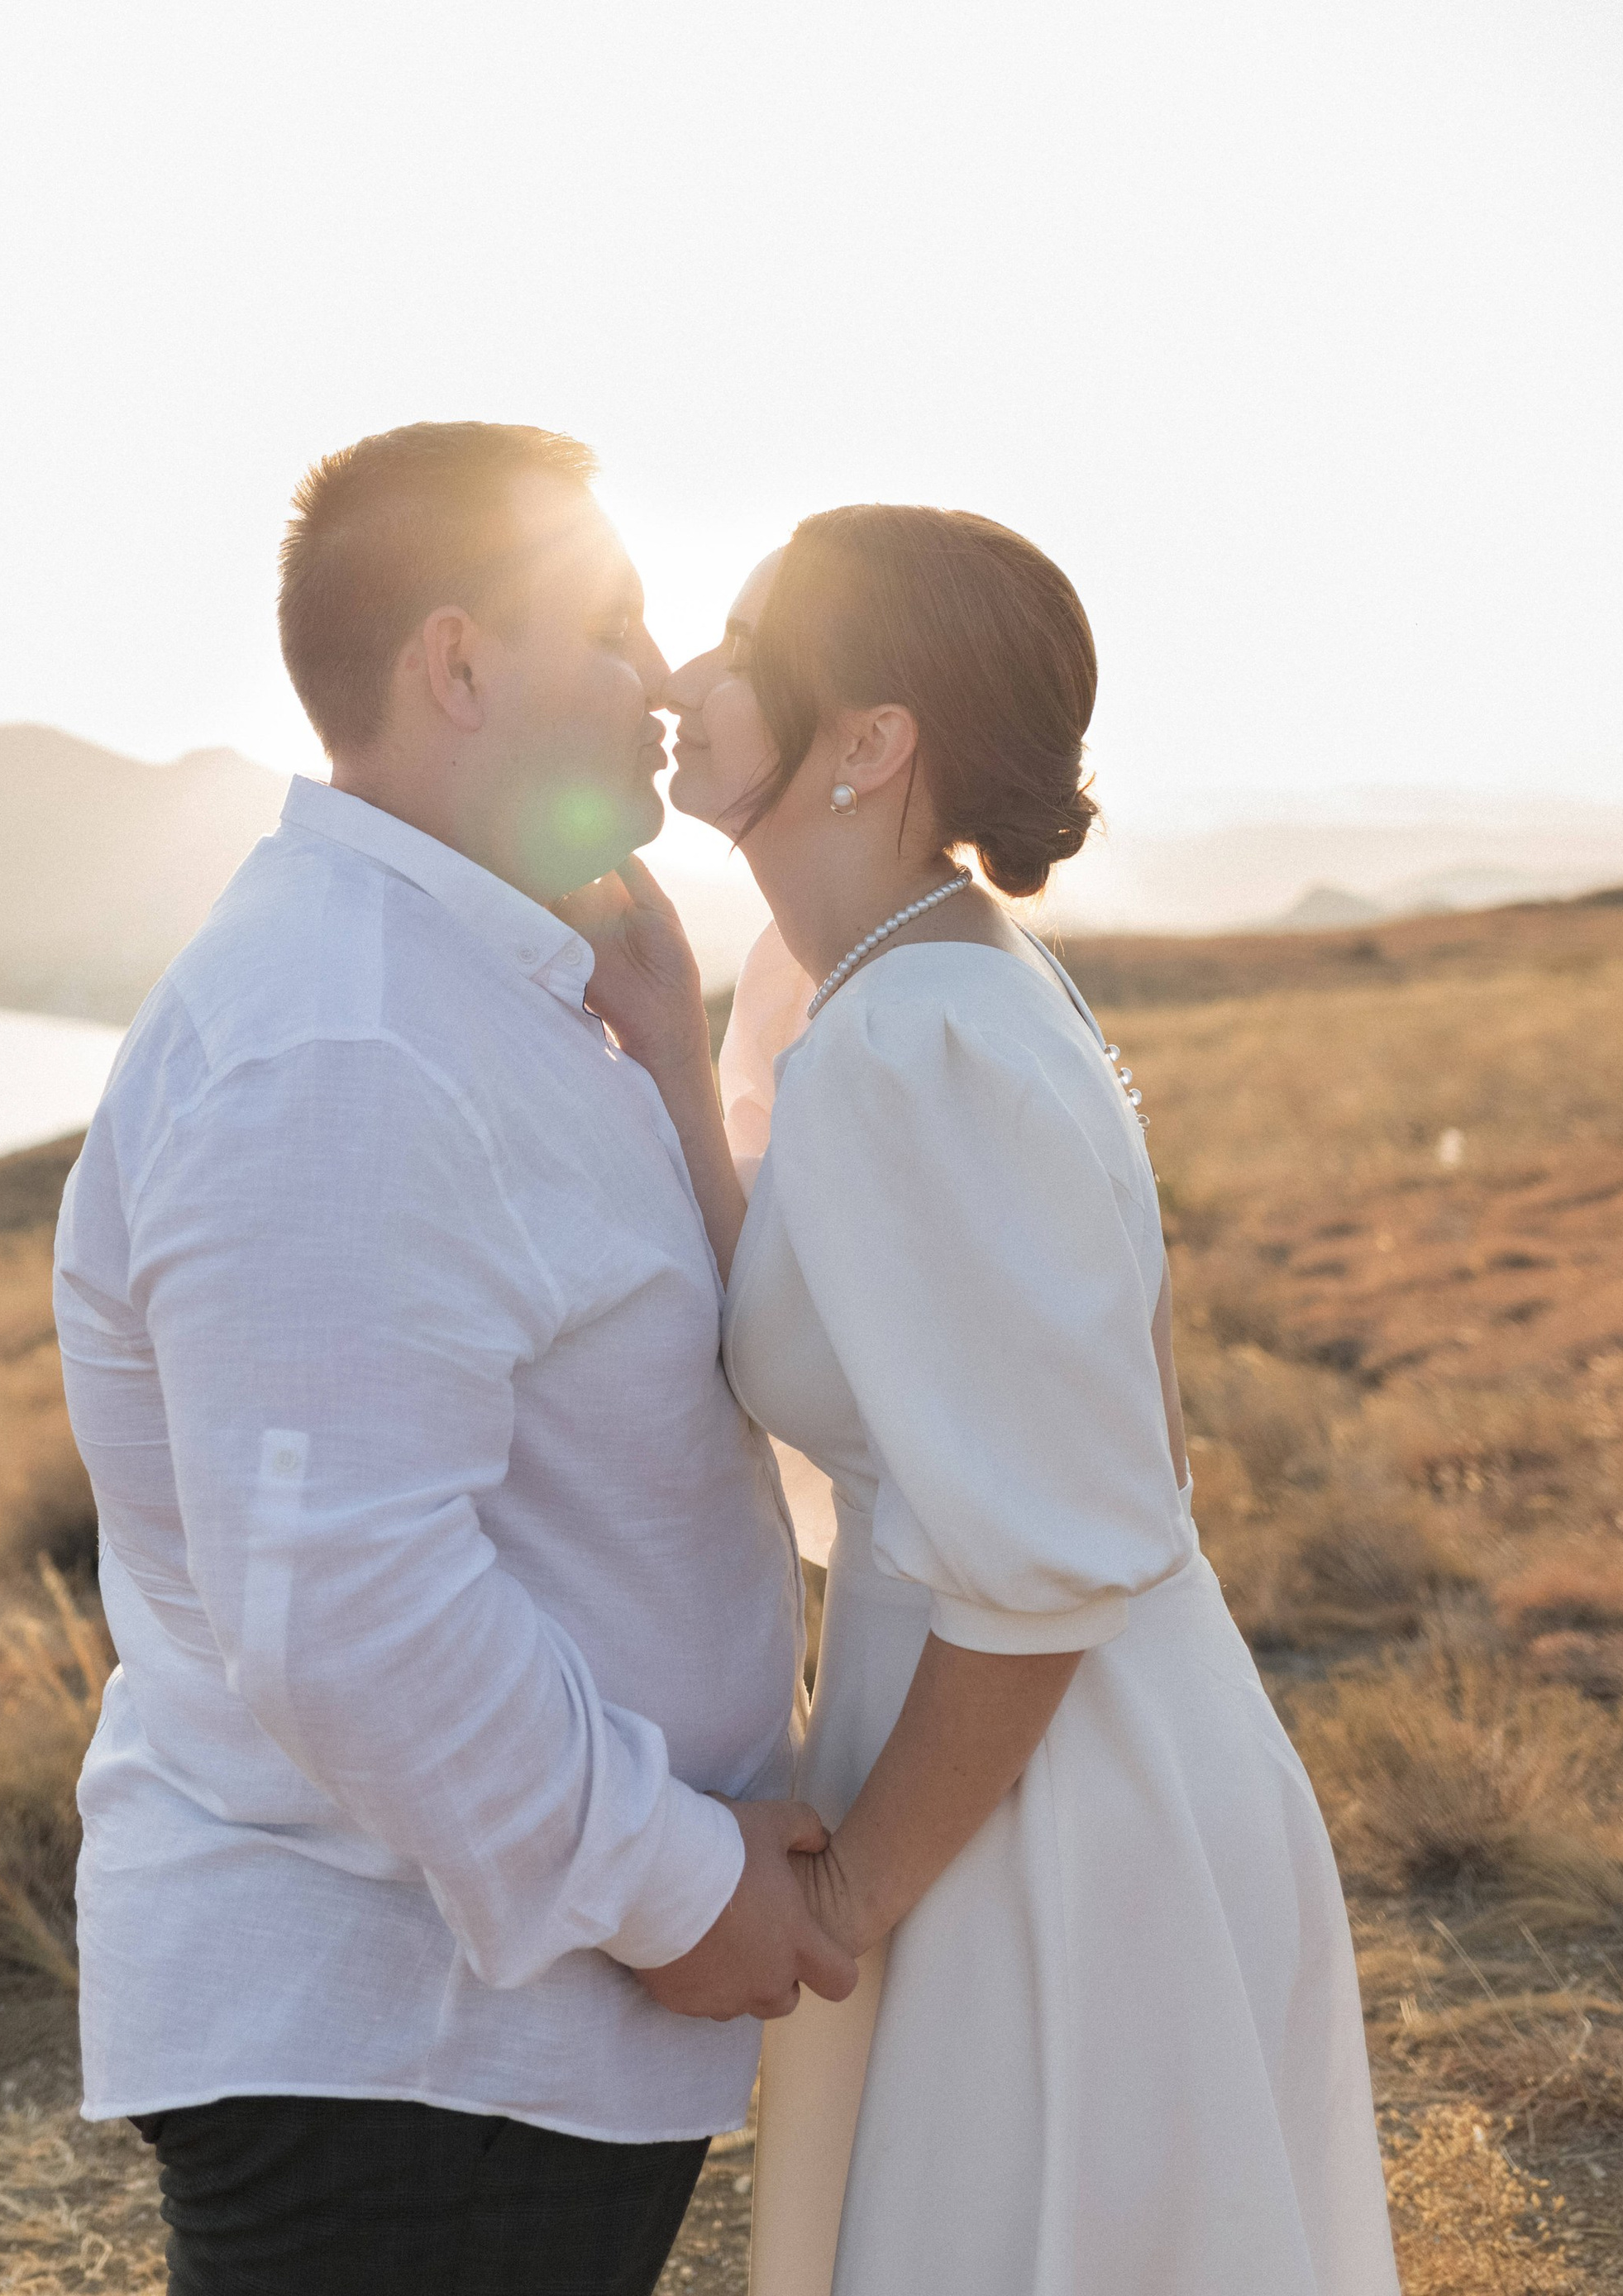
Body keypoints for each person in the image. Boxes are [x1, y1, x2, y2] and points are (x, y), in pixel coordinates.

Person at [53, 422, 852, 2296]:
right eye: (612, 623)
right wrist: (679, 1884)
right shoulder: (346, 1043)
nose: (658, 673)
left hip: (484, 2050)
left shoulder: (460, 997)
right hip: (408, 2063)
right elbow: (343, 1599)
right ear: (458, 663)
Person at [574, 504, 1399, 2296]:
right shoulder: (876, 984)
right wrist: (662, 1028)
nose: (688, 678)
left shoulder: (909, 1042)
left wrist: (849, 1899)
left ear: (870, 742)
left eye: (743, 642)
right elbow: (825, 1323)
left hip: (1041, 1807)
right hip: (1021, 1741)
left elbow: (1035, 1571)